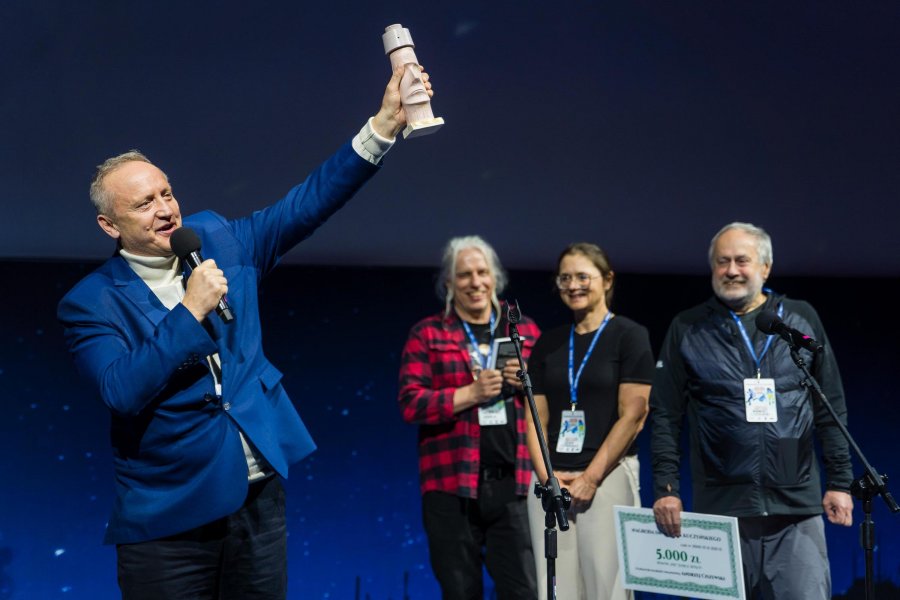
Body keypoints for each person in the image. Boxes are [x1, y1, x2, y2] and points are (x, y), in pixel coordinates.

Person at [57, 66, 433, 599]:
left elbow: (305, 205)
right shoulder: (91, 301)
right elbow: (121, 390)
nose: (166, 211)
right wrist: (188, 313)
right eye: (145, 204)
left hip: (257, 501)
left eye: (166, 194)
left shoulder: (217, 238)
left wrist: (382, 126)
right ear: (109, 226)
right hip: (171, 521)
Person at [650, 222, 854, 599]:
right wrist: (666, 488)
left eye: (741, 260)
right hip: (721, 509)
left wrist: (840, 481)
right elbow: (665, 414)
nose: (731, 270)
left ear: (766, 267)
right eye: (722, 261)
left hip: (796, 505)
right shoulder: (688, 327)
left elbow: (829, 404)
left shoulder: (798, 318)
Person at [397, 235, 540, 600]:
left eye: (482, 272)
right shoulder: (427, 333)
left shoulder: (524, 330)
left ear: (495, 277)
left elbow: (546, 398)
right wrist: (470, 395)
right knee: (461, 592)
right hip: (450, 487)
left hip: (513, 484)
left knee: (523, 591)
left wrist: (524, 384)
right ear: (448, 283)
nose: (475, 282)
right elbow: (410, 403)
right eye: (464, 275)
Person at [525, 243, 654, 600]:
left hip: (607, 477)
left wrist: (590, 478)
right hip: (552, 483)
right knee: (556, 590)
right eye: (565, 278)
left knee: (607, 588)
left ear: (607, 280)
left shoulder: (630, 335)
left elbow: (634, 414)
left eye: (583, 276)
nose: (573, 285)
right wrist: (548, 478)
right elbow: (534, 417)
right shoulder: (548, 343)